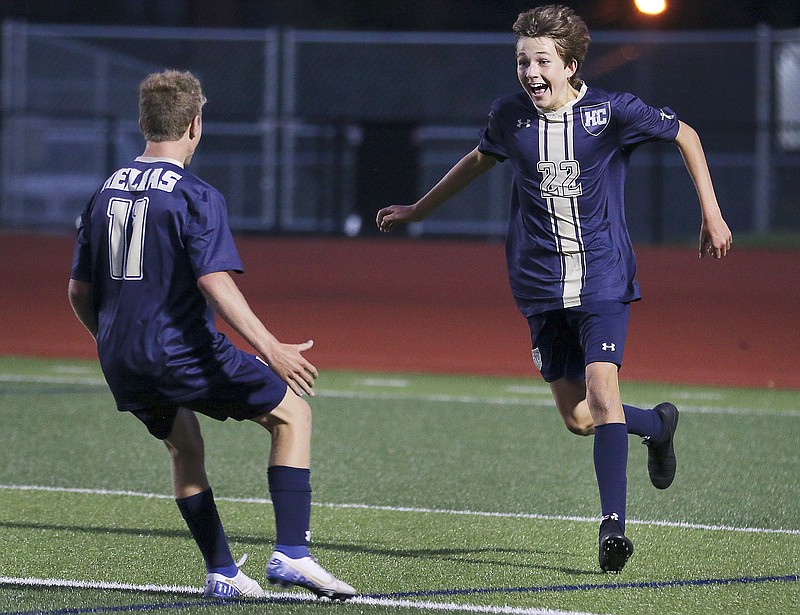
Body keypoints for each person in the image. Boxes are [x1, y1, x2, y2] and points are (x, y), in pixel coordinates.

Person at [376, 5, 732, 573]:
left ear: (569, 65)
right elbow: (478, 159)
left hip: (603, 278)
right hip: (538, 284)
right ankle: (658, 424)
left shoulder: (612, 112)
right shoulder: (509, 117)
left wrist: (712, 214)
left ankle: (612, 529)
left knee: (603, 388)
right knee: (580, 417)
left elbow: (685, 134)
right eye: (522, 60)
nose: (529, 71)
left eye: (541, 60)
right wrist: (419, 209)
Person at [68, 69, 357, 600]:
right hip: (179, 350)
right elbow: (213, 281)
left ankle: (222, 571)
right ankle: (292, 554)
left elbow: (79, 294)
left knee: (184, 448)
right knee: (293, 412)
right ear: (196, 125)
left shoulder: (102, 193)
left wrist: (110, 342)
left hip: (122, 356)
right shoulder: (195, 194)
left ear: (142, 123)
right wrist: (270, 348)